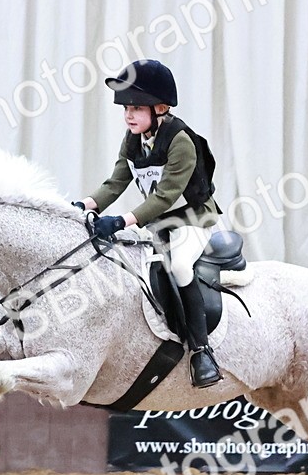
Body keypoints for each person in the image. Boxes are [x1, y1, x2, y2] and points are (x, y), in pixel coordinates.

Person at [74, 59, 222, 388]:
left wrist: (121, 221)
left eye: (136, 108)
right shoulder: (133, 139)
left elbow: (165, 197)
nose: (128, 115)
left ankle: (202, 351)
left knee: (181, 266)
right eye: (126, 107)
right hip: (158, 224)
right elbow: (115, 183)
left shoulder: (181, 141)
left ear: (161, 108)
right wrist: (84, 204)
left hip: (192, 219)